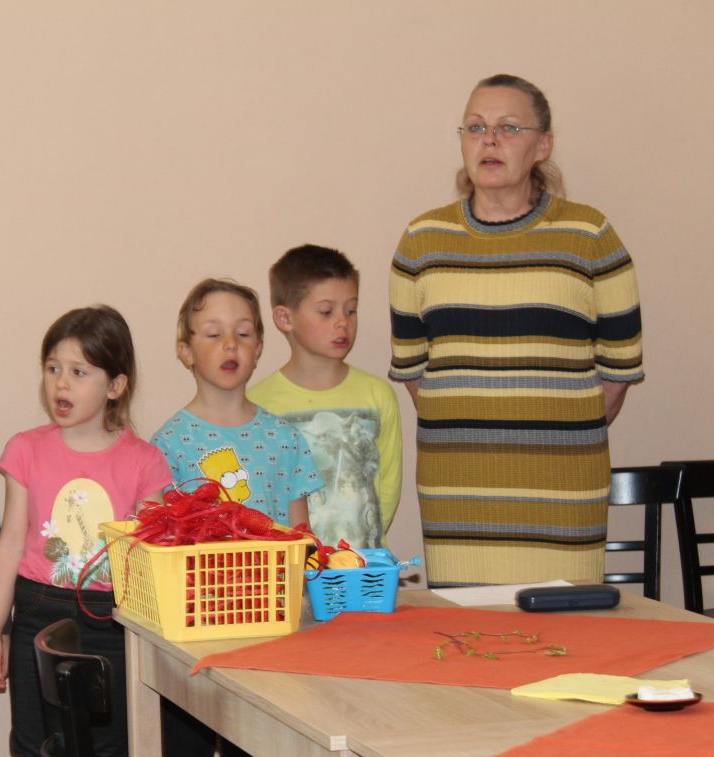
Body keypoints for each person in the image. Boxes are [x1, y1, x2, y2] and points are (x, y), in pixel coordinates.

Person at [388, 73, 644, 586]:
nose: (489, 140)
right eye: (475, 127)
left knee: (563, 630)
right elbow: (415, 374)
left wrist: (552, 437)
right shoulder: (421, 241)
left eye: (508, 127)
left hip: (563, 496)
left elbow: (618, 376)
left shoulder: (591, 235)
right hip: (458, 497)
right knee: (465, 630)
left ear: (542, 145)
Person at [0, 305, 172, 757]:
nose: (61, 383)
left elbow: (146, 563)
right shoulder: (26, 448)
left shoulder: (145, 462)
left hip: (109, 624)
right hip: (37, 615)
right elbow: (10, 543)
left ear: (115, 386)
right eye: (53, 368)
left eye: (79, 372)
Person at [152, 279, 321, 757]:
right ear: (185, 350)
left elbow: (302, 539)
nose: (230, 345)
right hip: (193, 639)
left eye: (243, 334)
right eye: (213, 334)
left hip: (268, 636)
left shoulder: (285, 439)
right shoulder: (166, 444)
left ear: (260, 347)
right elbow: (160, 542)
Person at [249, 244, 402, 549]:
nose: (343, 322)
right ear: (284, 318)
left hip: (363, 566)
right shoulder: (258, 404)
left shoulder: (377, 395)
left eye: (351, 310)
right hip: (291, 569)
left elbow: (388, 485)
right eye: (326, 311)